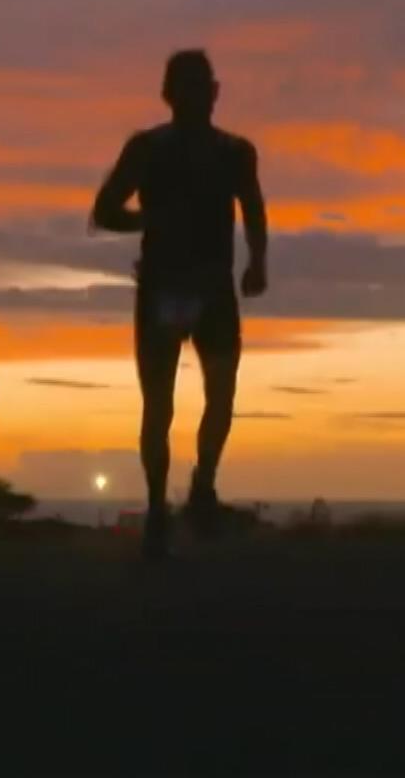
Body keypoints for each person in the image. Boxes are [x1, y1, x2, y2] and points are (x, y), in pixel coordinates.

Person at [91, 49, 268, 559]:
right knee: (159, 405)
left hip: (212, 287)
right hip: (163, 287)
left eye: (202, 87)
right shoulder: (146, 149)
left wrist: (257, 262)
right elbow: (104, 211)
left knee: (221, 394)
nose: (196, 96)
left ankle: (202, 488)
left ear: (215, 92)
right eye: (186, 87)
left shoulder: (236, 151)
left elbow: (253, 207)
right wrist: (151, 222)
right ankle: (156, 510)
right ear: (170, 95)